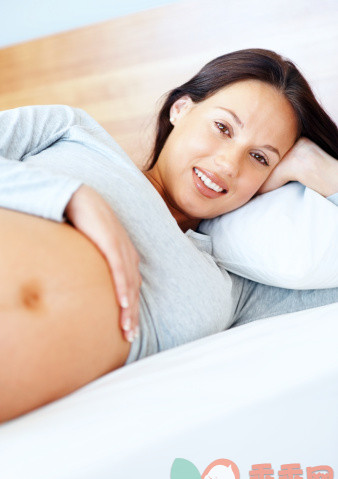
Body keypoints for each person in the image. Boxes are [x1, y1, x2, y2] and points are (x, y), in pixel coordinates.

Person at [0, 48, 337, 423]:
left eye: (260, 158)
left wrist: (324, 172)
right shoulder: (72, 131)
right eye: (223, 128)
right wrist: (69, 197)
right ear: (181, 109)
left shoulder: (234, 287)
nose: (228, 164)